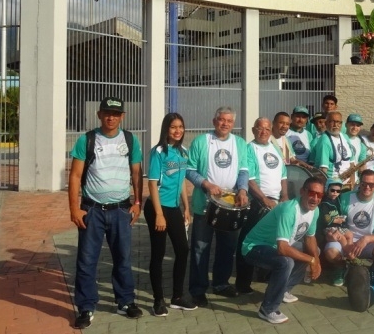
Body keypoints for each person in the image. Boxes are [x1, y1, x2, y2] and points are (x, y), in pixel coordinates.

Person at [68, 97, 144, 329]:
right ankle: (86, 306)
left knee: (123, 258)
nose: (111, 117)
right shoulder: (87, 140)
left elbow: (137, 173)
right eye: (106, 113)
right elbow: (75, 176)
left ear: (122, 116)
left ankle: (125, 301)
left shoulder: (131, 140)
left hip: (121, 210)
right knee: (87, 261)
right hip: (92, 211)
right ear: (99, 114)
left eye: (115, 113)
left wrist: (138, 202)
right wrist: (74, 208)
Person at [185, 106, 250, 306]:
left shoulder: (239, 143)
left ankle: (221, 283)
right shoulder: (201, 142)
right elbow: (189, 170)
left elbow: (244, 170)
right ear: (214, 121)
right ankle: (198, 289)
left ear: (233, 124)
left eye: (229, 121)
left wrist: (242, 190)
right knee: (200, 248)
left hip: (230, 206)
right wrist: (206, 184)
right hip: (205, 205)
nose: (225, 124)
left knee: (227, 247)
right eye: (221, 120)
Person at [240, 176, 324, 324]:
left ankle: (284, 290)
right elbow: (283, 249)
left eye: (319, 195)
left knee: (314, 250)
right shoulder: (289, 210)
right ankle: (268, 309)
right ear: (302, 191)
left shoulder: (314, 211)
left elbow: (310, 238)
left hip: (276, 246)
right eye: (312, 193)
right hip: (254, 247)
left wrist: (316, 259)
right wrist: (311, 260)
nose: (315, 198)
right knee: (286, 262)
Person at [144, 113, 196, 316]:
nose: (178, 130)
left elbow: (182, 181)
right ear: (166, 129)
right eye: (173, 127)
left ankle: (177, 297)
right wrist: (158, 214)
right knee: (157, 253)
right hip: (157, 208)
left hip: (174, 208)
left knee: (183, 250)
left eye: (181, 127)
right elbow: (152, 184)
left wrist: (186, 207)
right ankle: (158, 300)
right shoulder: (158, 152)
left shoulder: (183, 152)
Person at [236, 117, 289, 294]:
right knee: (249, 241)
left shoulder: (274, 147)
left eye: (267, 129)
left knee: (271, 241)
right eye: (260, 129)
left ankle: (266, 275)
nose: (264, 132)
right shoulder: (250, 149)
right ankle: (243, 283)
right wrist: (264, 199)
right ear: (253, 130)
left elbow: (283, 174)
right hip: (258, 203)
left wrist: (285, 196)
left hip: (276, 202)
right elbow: (249, 180)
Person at [324, 170, 374, 286]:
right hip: (346, 239)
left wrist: (366, 239)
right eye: (364, 183)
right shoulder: (345, 198)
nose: (367, 187)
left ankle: (370, 269)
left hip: (368, 242)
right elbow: (333, 221)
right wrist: (340, 238)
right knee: (331, 252)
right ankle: (341, 267)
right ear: (359, 183)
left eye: (371, 184)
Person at [313, 111, 358, 187]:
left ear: (341, 124)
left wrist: (352, 183)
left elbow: (352, 164)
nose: (335, 125)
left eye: (338, 122)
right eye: (332, 122)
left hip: (347, 184)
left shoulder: (345, 137)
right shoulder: (324, 141)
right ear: (326, 123)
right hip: (332, 186)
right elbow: (323, 170)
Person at [344, 113, 370, 185]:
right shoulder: (340, 138)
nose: (355, 128)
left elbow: (362, 167)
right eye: (352, 124)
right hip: (339, 179)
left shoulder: (361, 143)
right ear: (346, 125)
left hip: (353, 181)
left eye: (358, 125)